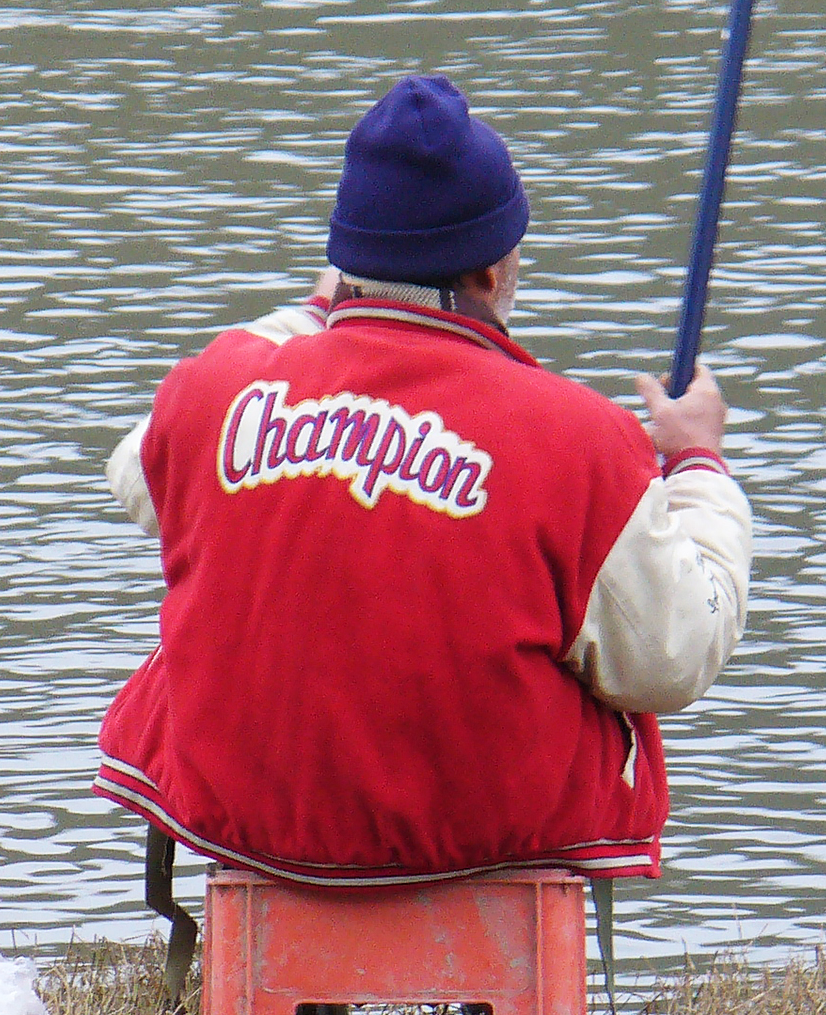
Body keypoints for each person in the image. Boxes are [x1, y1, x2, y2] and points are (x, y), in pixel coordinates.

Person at [92, 74, 751, 896]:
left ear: (346, 256)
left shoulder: (216, 390)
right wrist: (699, 469)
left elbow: (136, 471)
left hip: (244, 818)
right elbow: (674, 659)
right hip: (480, 836)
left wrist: (315, 311)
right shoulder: (580, 440)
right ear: (493, 267)